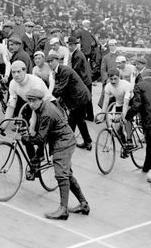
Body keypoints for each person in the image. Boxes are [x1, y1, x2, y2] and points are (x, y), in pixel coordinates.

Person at [22, 89, 90, 221]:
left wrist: (27, 139)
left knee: (61, 175)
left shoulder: (47, 112)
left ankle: (63, 210)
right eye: (29, 101)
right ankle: (84, 204)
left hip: (63, 143)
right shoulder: (42, 106)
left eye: (33, 101)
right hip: (62, 140)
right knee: (67, 175)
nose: (31, 104)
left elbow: (41, 138)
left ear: (40, 100)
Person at [46, 51, 93, 151]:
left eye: (52, 61)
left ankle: (68, 142)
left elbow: (61, 87)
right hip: (75, 99)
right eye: (48, 62)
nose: (50, 64)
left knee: (73, 120)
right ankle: (86, 142)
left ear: (57, 61)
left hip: (80, 98)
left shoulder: (64, 70)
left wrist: (48, 98)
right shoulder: (57, 72)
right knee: (78, 120)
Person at [100, 68, 134, 148]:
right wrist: (102, 116)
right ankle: (124, 144)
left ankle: (129, 140)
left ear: (119, 77)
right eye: (111, 79)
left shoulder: (125, 85)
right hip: (120, 102)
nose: (113, 81)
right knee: (117, 126)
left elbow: (126, 103)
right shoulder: (108, 86)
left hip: (130, 102)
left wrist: (123, 115)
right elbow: (105, 102)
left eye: (115, 79)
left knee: (126, 119)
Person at [67, 36, 93, 122]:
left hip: (84, 80)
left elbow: (75, 70)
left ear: (75, 45)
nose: (70, 47)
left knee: (86, 98)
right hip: (85, 79)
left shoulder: (77, 55)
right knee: (87, 98)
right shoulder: (76, 53)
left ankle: (89, 116)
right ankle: (89, 116)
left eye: (72, 45)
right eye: (69, 45)